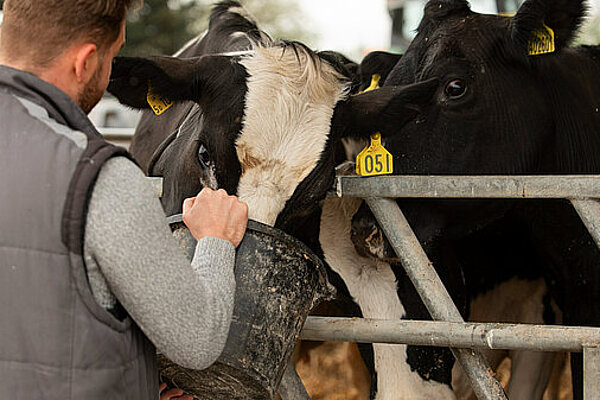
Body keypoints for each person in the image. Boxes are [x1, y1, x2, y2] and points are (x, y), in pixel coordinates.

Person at [0, 1, 248, 399]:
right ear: (86, 61)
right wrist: (216, 240)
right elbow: (196, 340)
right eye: (113, 56)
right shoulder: (98, 178)